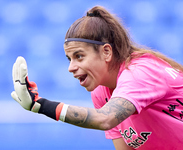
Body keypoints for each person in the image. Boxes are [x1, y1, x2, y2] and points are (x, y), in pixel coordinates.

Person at [11, 5, 183, 150]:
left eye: (79, 56)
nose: (71, 68)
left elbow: (105, 119)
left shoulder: (140, 72)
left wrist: (40, 105)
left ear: (106, 52)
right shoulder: (102, 92)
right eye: (69, 59)